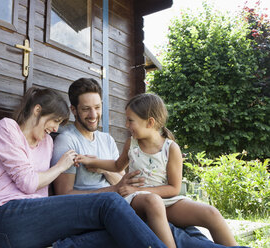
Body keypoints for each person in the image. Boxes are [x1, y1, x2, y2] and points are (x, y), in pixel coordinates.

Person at [52, 78, 247, 248]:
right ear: (74, 110)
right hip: (122, 205)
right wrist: (113, 181)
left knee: (208, 215)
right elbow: (68, 193)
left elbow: (123, 178)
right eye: (86, 109)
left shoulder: (110, 140)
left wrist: (103, 169)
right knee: (172, 226)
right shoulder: (68, 141)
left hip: (152, 199)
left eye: (97, 107)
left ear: (150, 122)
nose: (93, 115)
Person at [0, 87, 168, 248]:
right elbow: (27, 183)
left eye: (59, 123)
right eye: (55, 121)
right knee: (108, 202)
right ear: (37, 111)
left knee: (120, 228)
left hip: (32, 228)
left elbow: (41, 195)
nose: (55, 128)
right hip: (4, 218)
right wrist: (60, 167)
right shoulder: (8, 128)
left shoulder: (46, 144)